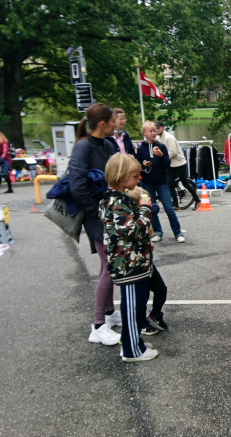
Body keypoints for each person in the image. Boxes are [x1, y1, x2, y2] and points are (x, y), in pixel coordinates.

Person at [70, 103, 123, 346]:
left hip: (110, 213)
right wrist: (97, 212)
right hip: (98, 217)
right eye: (113, 121)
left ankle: (110, 314)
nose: (116, 124)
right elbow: (77, 186)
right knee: (110, 266)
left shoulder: (108, 144)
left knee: (107, 266)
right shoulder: (83, 147)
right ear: (102, 124)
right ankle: (98, 324)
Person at [101, 154, 158, 362]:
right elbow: (134, 230)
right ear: (121, 177)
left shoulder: (119, 198)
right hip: (128, 266)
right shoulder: (116, 202)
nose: (138, 180)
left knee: (137, 304)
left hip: (133, 263)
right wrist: (145, 209)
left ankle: (132, 341)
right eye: (135, 176)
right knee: (133, 308)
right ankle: (132, 350)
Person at [136, 122, 184, 244]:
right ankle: (157, 232)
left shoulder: (161, 146)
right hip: (147, 182)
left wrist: (162, 156)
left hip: (162, 181)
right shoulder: (141, 149)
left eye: (154, 131)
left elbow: (167, 164)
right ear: (144, 133)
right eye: (150, 131)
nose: (153, 133)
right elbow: (138, 166)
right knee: (152, 209)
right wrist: (143, 165)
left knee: (169, 208)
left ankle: (178, 232)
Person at [154, 121, 199, 212]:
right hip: (170, 165)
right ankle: (175, 205)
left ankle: (198, 201)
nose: (156, 130)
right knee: (170, 184)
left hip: (179, 163)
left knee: (185, 183)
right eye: (155, 128)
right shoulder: (158, 138)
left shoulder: (169, 137)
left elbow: (173, 152)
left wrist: (162, 158)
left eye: (158, 127)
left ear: (163, 128)